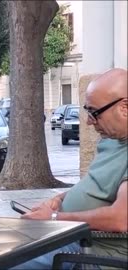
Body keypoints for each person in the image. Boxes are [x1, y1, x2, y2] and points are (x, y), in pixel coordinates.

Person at [13, 68, 127, 269]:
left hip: (94, 252)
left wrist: (55, 218)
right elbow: (96, 186)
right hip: (70, 237)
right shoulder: (111, 141)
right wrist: (59, 200)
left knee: (8, 263)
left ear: (124, 108)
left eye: (94, 113)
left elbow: (120, 218)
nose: (88, 121)